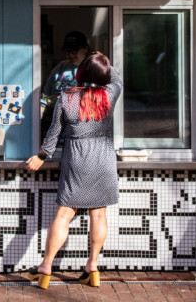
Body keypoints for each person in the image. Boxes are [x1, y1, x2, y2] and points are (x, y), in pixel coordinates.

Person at [26, 52, 123, 289]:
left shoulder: (66, 98)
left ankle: (46, 268)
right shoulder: (110, 94)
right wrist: (103, 61)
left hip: (77, 159)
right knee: (98, 214)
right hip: (103, 159)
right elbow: (117, 77)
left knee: (63, 215)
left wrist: (42, 155)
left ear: (80, 73)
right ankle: (92, 266)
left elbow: (53, 131)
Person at [41, 31, 93, 143]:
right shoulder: (60, 68)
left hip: (82, 136)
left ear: (85, 48)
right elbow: (45, 98)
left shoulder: (93, 69)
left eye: (74, 51)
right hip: (57, 133)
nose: (70, 55)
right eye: (67, 51)